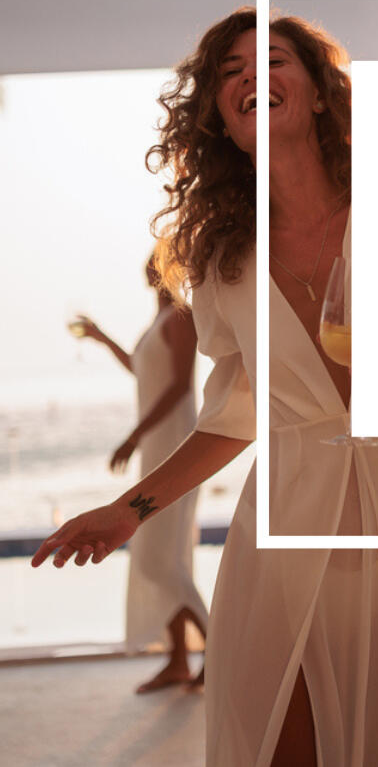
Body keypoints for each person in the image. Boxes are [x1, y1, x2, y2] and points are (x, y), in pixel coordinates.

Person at [34, 8, 378, 767]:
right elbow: (233, 417)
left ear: (319, 92)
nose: (251, 77)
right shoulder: (225, 260)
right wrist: (128, 510)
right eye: (230, 72)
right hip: (276, 539)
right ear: (220, 115)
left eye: (273, 60)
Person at [71, 255, 208, 692]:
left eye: (157, 261)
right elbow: (140, 368)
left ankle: (216, 649)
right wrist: (100, 337)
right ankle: (179, 660)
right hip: (157, 445)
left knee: (160, 560)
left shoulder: (182, 317)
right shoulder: (160, 320)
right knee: (160, 557)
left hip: (175, 446)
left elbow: (179, 386)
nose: (149, 267)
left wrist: (133, 436)